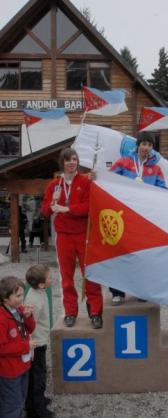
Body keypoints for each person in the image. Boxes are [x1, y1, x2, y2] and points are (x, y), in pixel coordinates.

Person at [41, 148, 103, 329]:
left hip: (83, 235)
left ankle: (95, 312)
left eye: (74, 159)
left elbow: (89, 207)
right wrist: (52, 206)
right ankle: (70, 312)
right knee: (66, 277)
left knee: (90, 274)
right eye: (68, 160)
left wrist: (67, 209)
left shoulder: (85, 181)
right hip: (64, 236)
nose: (71, 163)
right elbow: (44, 210)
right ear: (63, 163)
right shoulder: (54, 185)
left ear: (78, 162)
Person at [109, 131, 167, 305]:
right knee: (120, 254)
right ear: (138, 145)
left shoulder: (156, 169)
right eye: (144, 144)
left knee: (143, 255)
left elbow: (163, 190)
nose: (146, 148)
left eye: (149, 145)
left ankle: (141, 290)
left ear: (152, 148)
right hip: (124, 216)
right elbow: (108, 180)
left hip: (144, 219)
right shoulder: (124, 162)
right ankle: (117, 292)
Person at [0, 276, 36, 418]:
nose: (21, 299)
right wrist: (25, 346)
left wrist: (28, 316)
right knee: (11, 404)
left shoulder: (19, 309)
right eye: (18, 295)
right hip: (9, 370)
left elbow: (31, 329)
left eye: (22, 294)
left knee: (21, 398)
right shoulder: (2, 319)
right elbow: (2, 348)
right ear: (5, 298)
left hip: (23, 365)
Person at [25, 264, 54, 418]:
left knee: (39, 373)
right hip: (36, 344)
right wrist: (30, 346)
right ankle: (36, 410)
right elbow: (29, 326)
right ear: (42, 284)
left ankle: (37, 401)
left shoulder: (39, 290)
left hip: (41, 340)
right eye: (49, 277)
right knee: (38, 375)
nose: (52, 278)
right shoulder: (34, 301)